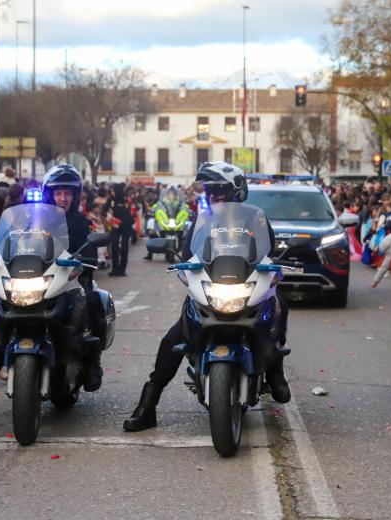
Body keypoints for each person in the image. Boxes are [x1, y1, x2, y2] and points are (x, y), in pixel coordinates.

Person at [123, 162, 291, 432]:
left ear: (236, 192)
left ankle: (276, 373)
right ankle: (147, 407)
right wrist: (184, 269)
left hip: (246, 286)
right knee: (172, 341)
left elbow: (268, 251)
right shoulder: (203, 220)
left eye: (220, 192)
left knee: (279, 305)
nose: (214, 198)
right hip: (211, 290)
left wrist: (275, 270)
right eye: (211, 192)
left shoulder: (255, 219)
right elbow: (190, 252)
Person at [0, 164, 103, 423]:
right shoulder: (29, 219)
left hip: (69, 280)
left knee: (91, 298)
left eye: (68, 193)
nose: (63, 198)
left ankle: (92, 363)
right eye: (58, 192)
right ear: (49, 193)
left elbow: (89, 254)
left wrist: (78, 267)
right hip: (33, 280)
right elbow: (8, 245)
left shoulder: (82, 223)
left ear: (76, 195)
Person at [103, 183, 133, 276]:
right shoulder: (110, 199)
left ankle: (122, 269)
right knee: (114, 246)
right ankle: (115, 269)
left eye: (113, 191)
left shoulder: (125, 200)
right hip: (114, 226)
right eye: (111, 191)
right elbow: (103, 210)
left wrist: (120, 223)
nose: (112, 193)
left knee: (124, 248)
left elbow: (128, 215)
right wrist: (108, 216)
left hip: (126, 226)